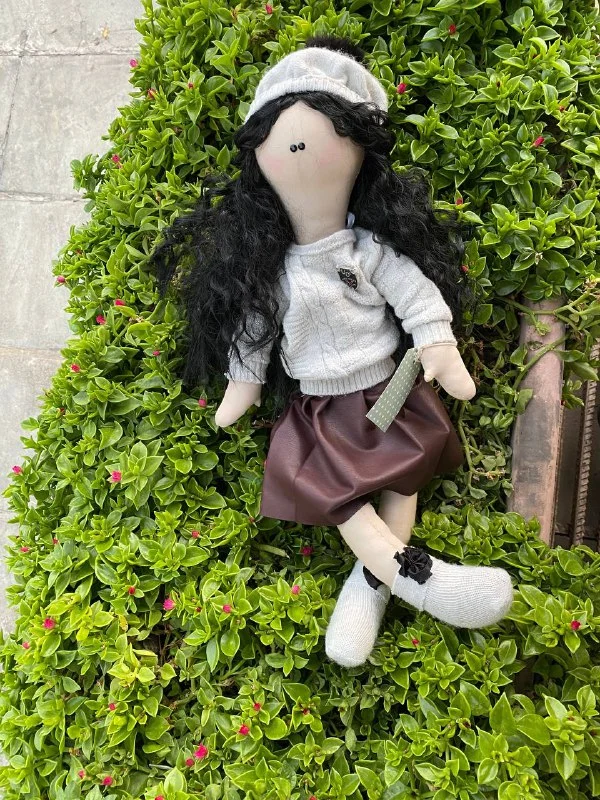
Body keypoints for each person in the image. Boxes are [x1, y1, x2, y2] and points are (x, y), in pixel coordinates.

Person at [149, 34, 514, 669]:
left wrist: (436, 340)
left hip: (389, 388)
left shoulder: (367, 250)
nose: (298, 150)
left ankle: (370, 588)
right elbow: (255, 333)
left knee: (404, 476)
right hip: (319, 406)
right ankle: (422, 580)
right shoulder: (269, 272)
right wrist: (243, 382)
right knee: (343, 498)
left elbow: (415, 292)